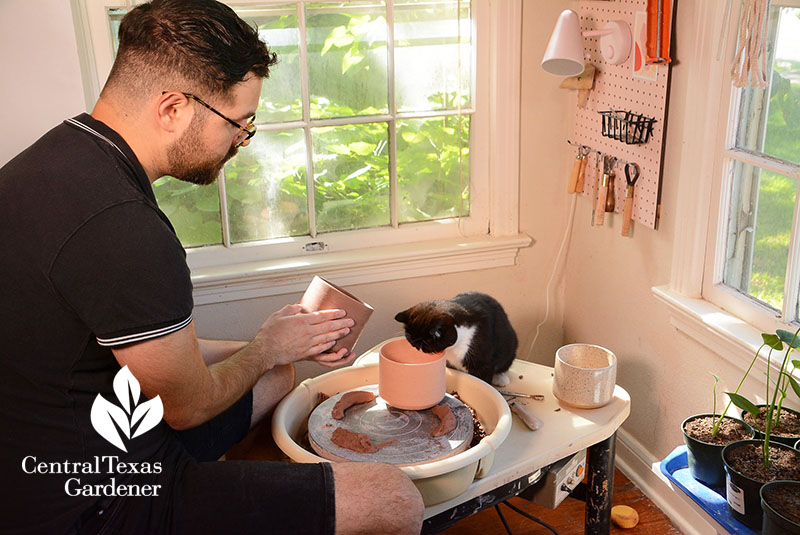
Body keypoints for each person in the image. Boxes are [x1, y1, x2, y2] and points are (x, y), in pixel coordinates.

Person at [0, 0, 424, 533]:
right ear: (174, 108)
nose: (240, 142)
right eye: (238, 123)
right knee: (393, 498)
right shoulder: (123, 230)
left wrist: (277, 344)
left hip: (55, 436)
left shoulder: (54, 161)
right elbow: (188, 407)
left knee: (277, 374)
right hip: (95, 498)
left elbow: (137, 351)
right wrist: (265, 345)